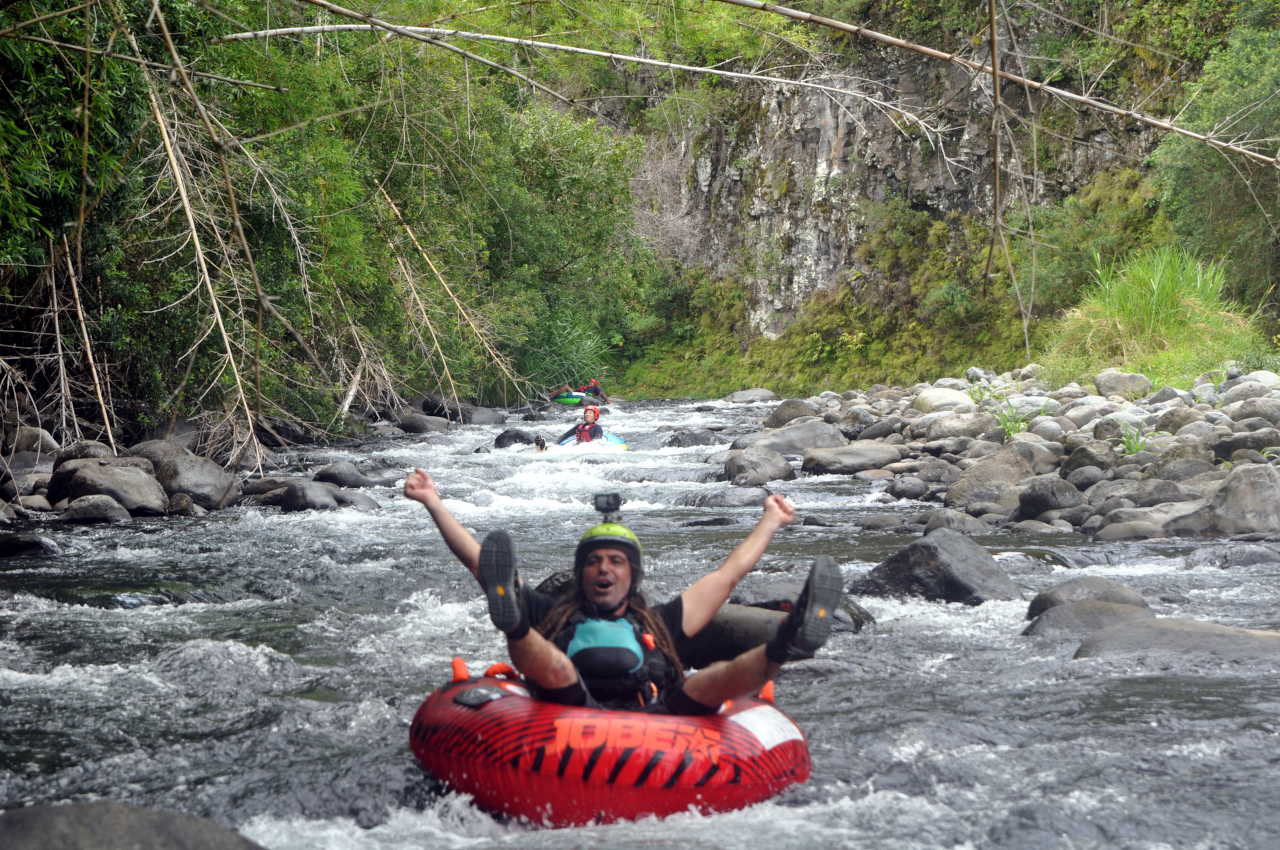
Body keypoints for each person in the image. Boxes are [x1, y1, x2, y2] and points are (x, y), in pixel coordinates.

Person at [403, 470, 842, 715]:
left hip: (657, 713)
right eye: (594, 561)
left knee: (711, 681)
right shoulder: (553, 613)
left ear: (632, 576)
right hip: (570, 703)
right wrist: (433, 502)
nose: (604, 569)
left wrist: (770, 521)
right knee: (555, 667)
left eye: (616, 561)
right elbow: (480, 562)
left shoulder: (661, 622)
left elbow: (727, 576)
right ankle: (513, 623)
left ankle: (788, 642)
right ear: (580, 574)